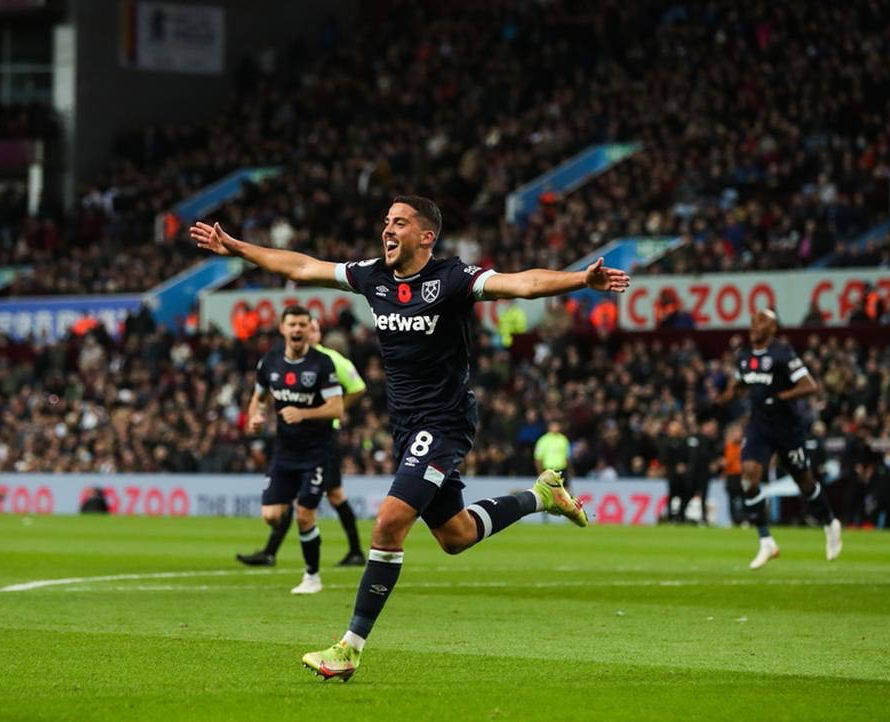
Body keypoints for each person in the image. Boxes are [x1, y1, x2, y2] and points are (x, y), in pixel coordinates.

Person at [191, 195, 630, 681]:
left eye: (399, 222)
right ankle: (541, 495)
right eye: (386, 222)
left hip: (443, 422)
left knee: (388, 525)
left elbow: (522, 283)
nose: (387, 229)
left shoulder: (454, 280)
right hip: (406, 427)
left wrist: (580, 281)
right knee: (456, 535)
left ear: (426, 236)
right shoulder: (373, 276)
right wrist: (237, 249)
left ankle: (349, 648)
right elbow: (303, 265)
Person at [718, 309, 842, 569]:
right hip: (759, 427)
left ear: (773, 328)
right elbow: (741, 383)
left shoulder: (783, 353)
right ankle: (766, 542)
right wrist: (727, 395)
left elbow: (810, 385)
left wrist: (781, 398)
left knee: (804, 481)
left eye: (761, 322)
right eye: (753, 321)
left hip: (787, 429)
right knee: (748, 475)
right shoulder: (744, 356)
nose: (754, 325)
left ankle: (830, 521)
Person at [238, 317, 367, 566]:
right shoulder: (290, 361)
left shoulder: (329, 360)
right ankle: (271, 552)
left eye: (314, 328)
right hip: (296, 441)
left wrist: (336, 411)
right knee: (316, 496)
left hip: (321, 440)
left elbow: (358, 387)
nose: (307, 332)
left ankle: (352, 552)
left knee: (331, 496)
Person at [245, 305, 345, 594]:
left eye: (303, 324)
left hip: (317, 451)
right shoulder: (270, 362)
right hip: (284, 452)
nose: (298, 329)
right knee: (272, 515)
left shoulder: (322, 364)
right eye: (293, 324)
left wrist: (304, 414)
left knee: (304, 515)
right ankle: (307, 534)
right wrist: (255, 417)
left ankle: (312, 577)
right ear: (282, 328)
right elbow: (259, 397)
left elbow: (337, 408)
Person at [533, 419, 570, 485]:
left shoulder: (563, 439)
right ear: (549, 427)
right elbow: (538, 458)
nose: (555, 428)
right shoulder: (543, 440)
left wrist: (569, 470)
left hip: (562, 470)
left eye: (557, 426)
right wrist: (540, 473)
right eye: (553, 426)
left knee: (565, 491)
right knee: (549, 492)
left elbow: (567, 456)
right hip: (548, 470)